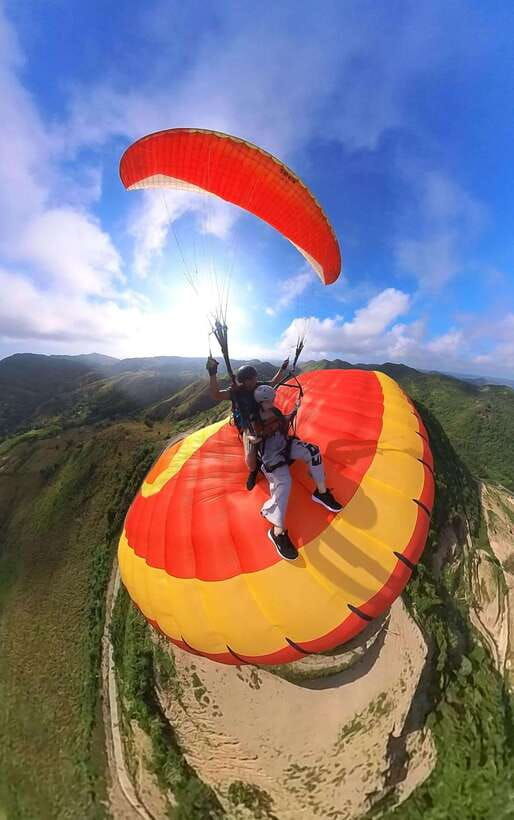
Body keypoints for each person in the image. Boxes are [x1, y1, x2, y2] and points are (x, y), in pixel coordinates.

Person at [250, 383, 342, 561]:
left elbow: (284, 422)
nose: (274, 401)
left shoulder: (275, 412)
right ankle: (277, 532)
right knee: (284, 483)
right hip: (271, 454)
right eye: (271, 400)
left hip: (284, 444)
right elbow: (254, 435)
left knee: (313, 451)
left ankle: (321, 493)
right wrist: (255, 439)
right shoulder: (255, 419)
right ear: (263, 402)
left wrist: (295, 409)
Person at [206, 356, 289, 490]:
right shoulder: (235, 393)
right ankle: (253, 471)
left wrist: (282, 369)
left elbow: (273, 382)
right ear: (243, 381)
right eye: (250, 379)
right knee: (250, 456)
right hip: (249, 425)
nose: (253, 381)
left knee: (281, 425)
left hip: (262, 417)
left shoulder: (258, 386)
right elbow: (216, 395)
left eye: (254, 378)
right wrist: (212, 373)